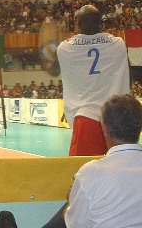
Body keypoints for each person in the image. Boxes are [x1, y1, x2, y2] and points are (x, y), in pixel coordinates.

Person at [34, 94, 142, 228]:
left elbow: (74, 224)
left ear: (104, 128)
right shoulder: (91, 174)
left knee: (69, 210)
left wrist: (73, 200)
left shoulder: (91, 173)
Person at [57, 4, 130, 156]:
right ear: (102, 24)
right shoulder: (118, 45)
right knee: (117, 172)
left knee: (83, 172)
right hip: (115, 120)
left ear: (77, 24)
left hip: (86, 119)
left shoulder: (65, 49)